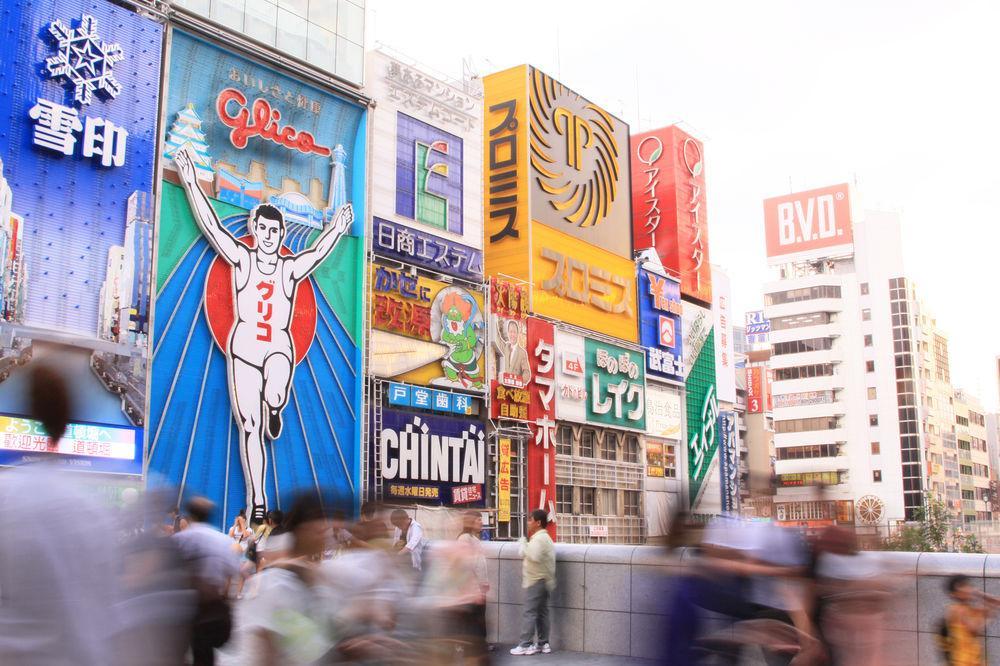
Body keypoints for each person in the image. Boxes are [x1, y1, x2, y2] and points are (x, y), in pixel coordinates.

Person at [174, 144, 354, 524]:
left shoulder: (289, 269)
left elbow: (317, 254)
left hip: (276, 348)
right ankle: (258, 498)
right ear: (255, 229)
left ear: (281, 232)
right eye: (263, 228)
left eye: (275, 230)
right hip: (242, 350)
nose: (269, 235)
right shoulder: (240, 259)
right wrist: (191, 182)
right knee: (249, 427)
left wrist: (337, 228)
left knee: (274, 391)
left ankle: (276, 406)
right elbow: (211, 225)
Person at [174, 497, 240, 666]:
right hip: (211, 606)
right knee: (204, 653)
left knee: (176, 651)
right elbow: (232, 573)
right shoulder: (224, 541)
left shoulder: (180, 539)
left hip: (181, 606)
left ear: (189, 515)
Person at [510, 509, 556, 656]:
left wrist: (523, 543)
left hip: (536, 580)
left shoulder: (539, 539)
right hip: (544, 580)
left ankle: (525, 644)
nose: (528, 523)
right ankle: (543, 644)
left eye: (530, 520)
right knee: (542, 613)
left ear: (538, 522)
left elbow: (533, 556)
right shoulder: (545, 538)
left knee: (530, 613)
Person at [943, 575, 1000, 666]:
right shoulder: (957, 610)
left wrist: (979, 594)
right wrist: (989, 615)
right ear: (953, 594)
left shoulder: (969, 608)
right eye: (962, 586)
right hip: (964, 661)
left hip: (974, 659)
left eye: (967, 585)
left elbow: (997, 602)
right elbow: (975, 629)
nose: (967, 589)